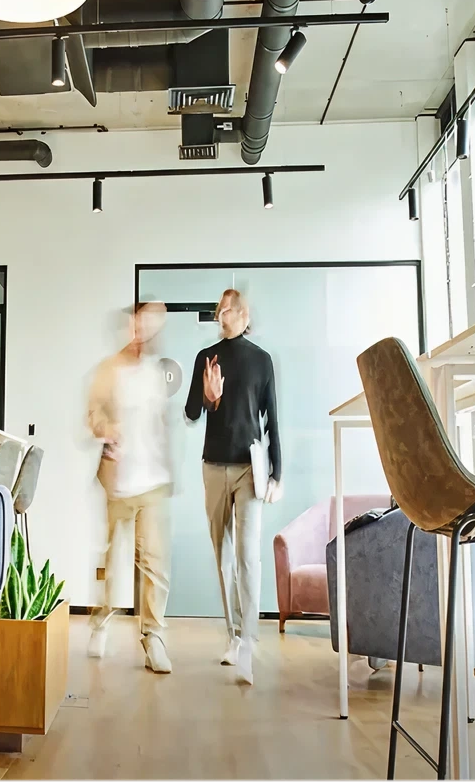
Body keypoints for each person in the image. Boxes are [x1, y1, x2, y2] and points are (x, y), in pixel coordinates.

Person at [184, 289, 282, 685]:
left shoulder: (261, 360)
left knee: (247, 556)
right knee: (223, 556)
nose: (221, 316)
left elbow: (272, 418)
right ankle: (233, 634)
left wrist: (278, 473)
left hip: (249, 469)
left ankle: (248, 643)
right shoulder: (205, 358)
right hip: (213, 467)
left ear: (243, 315)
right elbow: (191, 412)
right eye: (218, 311)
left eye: (228, 310)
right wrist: (209, 398)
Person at [86, 301, 173, 674]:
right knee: (113, 557)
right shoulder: (109, 371)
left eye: (151, 324)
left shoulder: (156, 372)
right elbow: (93, 414)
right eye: (139, 323)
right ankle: (102, 618)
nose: (143, 331)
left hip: (152, 481)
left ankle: (153, 637)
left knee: (153, 563)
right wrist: (107, 428)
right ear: (130, 326)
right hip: (118, 481)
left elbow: (161, 424)